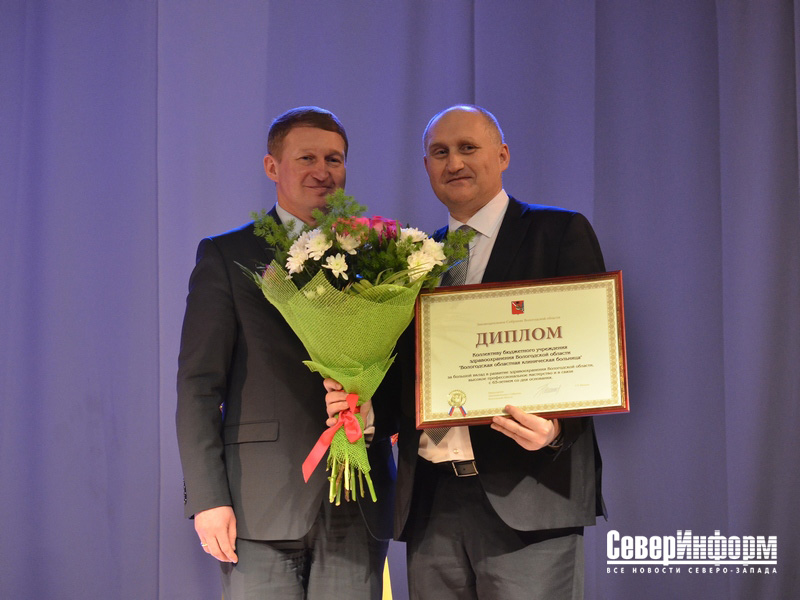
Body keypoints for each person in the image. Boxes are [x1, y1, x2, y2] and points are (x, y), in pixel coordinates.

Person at [326, 105, 607, 600]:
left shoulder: (558, 233)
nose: (454, 162)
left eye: (468, 148)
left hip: (527, 496)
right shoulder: (411, 259)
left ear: (502, 156)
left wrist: (556, 430)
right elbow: (405, 379)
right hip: (431, 503)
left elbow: (589, 357)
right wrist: (362, 407)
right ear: (426, 166)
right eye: (440, 152)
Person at [176, 106, 395, 600]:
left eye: (334, 159)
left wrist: (372, 411)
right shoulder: (227, 256)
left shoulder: (381, 255)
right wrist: (208, 498)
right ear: (272, 167)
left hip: (357, 499)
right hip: (258, 504)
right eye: (307, 158)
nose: (323, 171)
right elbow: (198, 386)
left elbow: (401, 372)